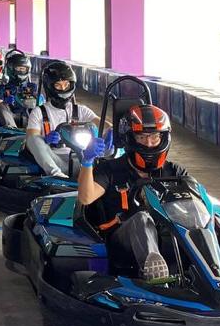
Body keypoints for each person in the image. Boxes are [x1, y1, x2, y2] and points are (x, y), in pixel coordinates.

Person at [76, 104, 193, 282]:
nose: (149, 143)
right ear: (130, 139)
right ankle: (155, 278)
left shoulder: (174, 172)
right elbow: (86, 197)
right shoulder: (111, 169)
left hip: (169, 239)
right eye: (142, 137)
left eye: (154, 137)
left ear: (163, 137)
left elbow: (193, 204)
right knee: (141, 219)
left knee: (205, 218)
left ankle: (218, 273)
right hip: (122, 243)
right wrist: (87, 162)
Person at [24, 61, 99, 179]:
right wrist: (45, 140)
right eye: (58, 85)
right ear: (50, 87)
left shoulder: (80, 110)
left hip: (82, 157)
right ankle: (57, 176)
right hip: (53, 158)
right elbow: (31, 140)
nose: (63, 89)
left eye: (66, 84)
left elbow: (100, 122)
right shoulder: (39, 112)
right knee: (34, 139)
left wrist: (111, 129)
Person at [0, 52, 39, 128]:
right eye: (19, 68)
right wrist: (5, 103)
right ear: (11, 69)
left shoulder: (32, 87)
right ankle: (12, 129)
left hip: (30, 119)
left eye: (23, 69)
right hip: (11, 117)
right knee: (1, 106)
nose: (21, 71)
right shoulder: (2, 88)